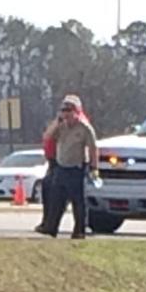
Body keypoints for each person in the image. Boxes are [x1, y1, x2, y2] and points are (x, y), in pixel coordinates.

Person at [37, 94, 99, 239]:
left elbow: (93, 148)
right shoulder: (60, 126)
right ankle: (51, 228)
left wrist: (94, 167)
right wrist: (57, 121)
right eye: (63, 110)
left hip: (76, 168)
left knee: (78, 202)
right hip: (61, 167)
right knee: (56, 200)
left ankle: (79, 231)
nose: (66, 113)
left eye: (69, 110)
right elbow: (47, 137)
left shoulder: (84, 128)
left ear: (76, 111)